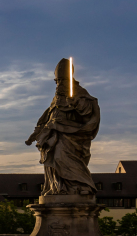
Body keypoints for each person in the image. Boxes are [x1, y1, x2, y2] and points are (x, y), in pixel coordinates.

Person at [26, 59, 100, 196]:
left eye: (62, 80)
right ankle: (58, 188)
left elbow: (87, 116)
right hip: (53, 136)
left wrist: (75, 103)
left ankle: (80, 186)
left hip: (72, 136)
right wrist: (36, 133)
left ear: (70, 79)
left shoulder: (80, 94)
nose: (59, 84)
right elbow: (49, 116)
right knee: (52, 161)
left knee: (62, 158)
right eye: (57, 81)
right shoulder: (56, 98)